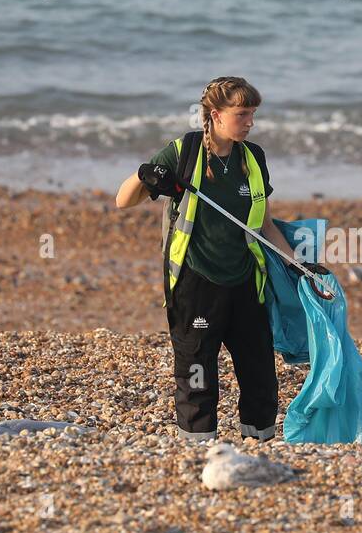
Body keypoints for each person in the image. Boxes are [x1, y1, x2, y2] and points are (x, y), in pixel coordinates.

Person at [115, 77, 325, 443]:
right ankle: (199, 447)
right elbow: (123, 200)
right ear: (216, 114)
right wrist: (144, 174)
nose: (250, 122)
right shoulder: (184, 151)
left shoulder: (253, 158)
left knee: (260, 374)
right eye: (242, 114)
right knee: (197, 373)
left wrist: (301, 266)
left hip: (246, 282)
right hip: (196, 283)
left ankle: (258, 442)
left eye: (253, 114)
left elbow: (264, 224)